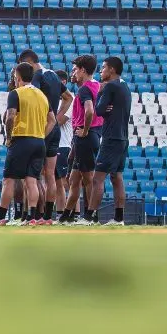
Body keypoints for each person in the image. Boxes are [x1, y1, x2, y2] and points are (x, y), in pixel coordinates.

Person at [0, 62, 54, 226]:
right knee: (32, 181)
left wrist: (8, 137)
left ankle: (0, 217)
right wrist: (41, 134)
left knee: (9, 180)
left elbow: (11, 116)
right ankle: (32, 217)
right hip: (39, 142)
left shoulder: (16, 94)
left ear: (17, 77)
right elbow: (52, 120)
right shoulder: (42, 95)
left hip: (21, 139)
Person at [18, 49, 64, 224]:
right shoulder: (53, 74)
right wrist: (56, 119)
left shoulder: (36, 76)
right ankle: (47, 217)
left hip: (39, 128)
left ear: (29, 63)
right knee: (50, 175)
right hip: (54, 129)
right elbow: (67, 97)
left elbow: (31, 97)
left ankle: (33, 214)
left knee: (31, 175)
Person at [60, 55, 104, 225]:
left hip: (85, 135)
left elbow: (90, 111)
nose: (73, 73)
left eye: (75, 70)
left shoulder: (84, 89)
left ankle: (91, 216)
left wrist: (85, 131)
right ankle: (65, 217)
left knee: (88, 179)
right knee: (74, 179)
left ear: (83, 70)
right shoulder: (97, 86)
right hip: (91, 135)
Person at [89, 56, 131, 226]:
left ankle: (89, 216)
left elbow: (98, 110)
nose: (101, 71)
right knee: (117, 177)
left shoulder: (110, 86)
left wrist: (100, 94)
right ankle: (119, 218)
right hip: (123, 137)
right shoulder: (124, 86)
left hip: (111, 137)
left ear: (112, 69)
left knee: (98, 178)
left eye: (104, 67)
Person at [54, 69, 74, 212]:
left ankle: (74, 213)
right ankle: (60, 213)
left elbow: (58, 121)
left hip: (63, 145)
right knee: (57, 183)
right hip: (54, 145)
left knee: (66, 182)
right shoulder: (55, 100)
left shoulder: (69, 100)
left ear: (63, 83)